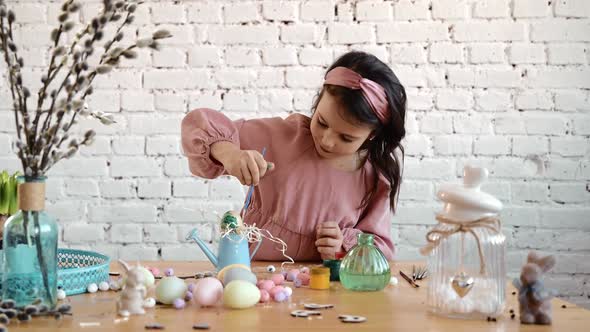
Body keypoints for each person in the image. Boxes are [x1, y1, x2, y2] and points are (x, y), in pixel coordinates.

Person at [181, 51, 407, 261]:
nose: (327, 140)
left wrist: (342, 246)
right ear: (318, 102)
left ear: (372, 135)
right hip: (252, 273)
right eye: (322, 122)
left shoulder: (374, 178)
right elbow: (201, 124)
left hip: (322, 287)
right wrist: (229, 153)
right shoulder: (283, 136)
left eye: (346, 138)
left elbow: (379, 250)